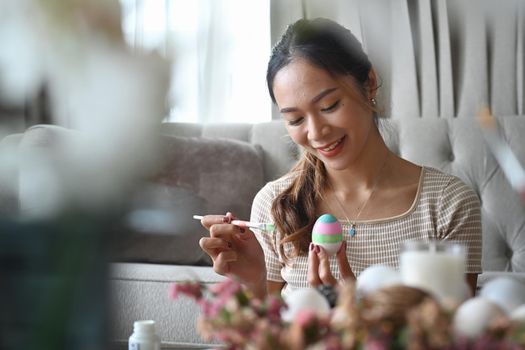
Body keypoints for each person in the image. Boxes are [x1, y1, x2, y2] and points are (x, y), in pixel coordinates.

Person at [198, 18, 481, 299]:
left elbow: (454, 335)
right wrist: (254, 281)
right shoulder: (275, 205)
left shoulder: (447, 204)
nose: (316, 132)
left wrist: (356, 314)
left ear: (369, 84)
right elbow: (264, 337)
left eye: (329, 106)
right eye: (295, 119)